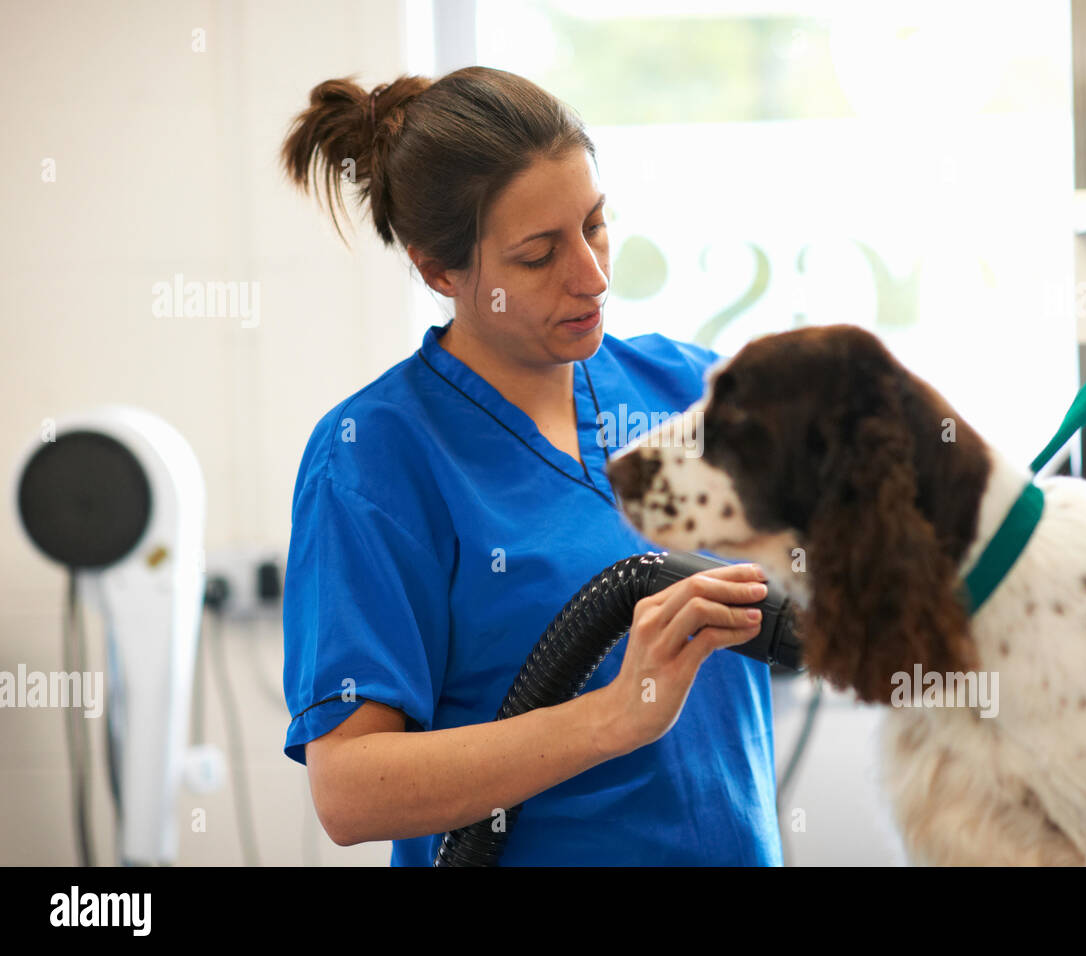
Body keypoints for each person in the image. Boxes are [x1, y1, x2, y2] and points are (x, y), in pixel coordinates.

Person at [278, 66, 782, 865]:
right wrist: (615, 715)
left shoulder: (688, 389)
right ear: (440, 271)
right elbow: (351, 789)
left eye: (595, 224)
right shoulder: (374, 456)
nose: (592, 275)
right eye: (539, 254)